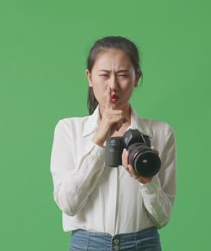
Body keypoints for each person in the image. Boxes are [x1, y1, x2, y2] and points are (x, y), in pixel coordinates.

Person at [50, 36, 177, 251]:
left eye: (122, 75)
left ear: (137, 78)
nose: (113, 85)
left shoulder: (160, 133)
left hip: (143, 245)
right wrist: (99, 139)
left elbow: (162, 218)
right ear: (89, 77)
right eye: (104, 75)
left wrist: (147, 181)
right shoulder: (69, 130)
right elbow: (68, 205)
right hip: (88, 245)